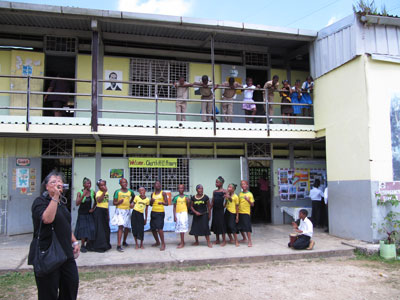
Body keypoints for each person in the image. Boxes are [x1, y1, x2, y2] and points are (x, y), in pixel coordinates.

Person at [28, 171, 79, 300]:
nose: (57, 184)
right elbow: (47, 219)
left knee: (71, 286)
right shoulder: (39, 202)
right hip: (48, 253)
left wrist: (74, 242)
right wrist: (55, 197)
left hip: (66, 254)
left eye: (60, 181)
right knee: (48, 293)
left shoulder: (61, 203)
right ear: (46, 186)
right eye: (53, 182)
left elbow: (64, 225)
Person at [86, 179, 111, 253]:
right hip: (99, 211)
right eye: (101, 185)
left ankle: (106, 244)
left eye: (104, 185)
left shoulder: (107, 193)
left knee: (106, 228)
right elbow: (99, 201)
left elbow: (106, 204)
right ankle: (99, 246)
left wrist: (108, 214)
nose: (103, 186)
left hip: (104, 211)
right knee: (100, 229)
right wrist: (103, 192)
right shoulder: (98, 193)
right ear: (99, 187)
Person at [111, 178, 135, 252]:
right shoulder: (117, 192)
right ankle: (119, 245)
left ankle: (124, 241)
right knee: (120, 227)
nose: (124, 183)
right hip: (120, 210)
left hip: (127, 210)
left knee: (127, 227)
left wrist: (131, 203)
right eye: (122, 182)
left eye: (125, 182)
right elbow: (114, 203)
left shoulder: (130, 191)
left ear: (127, 183)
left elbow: (133, 197)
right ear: (120, 184)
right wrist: (118, 202)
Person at [74, 177, 95, 253]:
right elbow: (77, 203)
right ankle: (82, 245)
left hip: (89, 213)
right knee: (83, 230)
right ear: (84, 184)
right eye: (87, 183)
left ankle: (88, 244)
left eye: (90, 183)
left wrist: (93, 208)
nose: (89, 185)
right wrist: (83, 195)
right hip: (82, 213)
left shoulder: (92, 192)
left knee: (91, 228)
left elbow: (96, 201)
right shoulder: (80, 192)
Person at [150, 181, 168, 251]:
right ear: (154, 186)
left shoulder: (163, 193)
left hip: (160, 212)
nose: (157, 185)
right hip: (153, 212)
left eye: (159, 184)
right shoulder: (152, 194)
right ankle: (157, 242)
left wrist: (162, 203)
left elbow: (167, 203)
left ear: (160, 186)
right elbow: (151, 204)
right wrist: (151, 201)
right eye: (156, 184)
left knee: (160, 229)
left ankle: (163, 243)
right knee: (153, 228)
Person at [172, 184, 190, 248]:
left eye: (182, 188)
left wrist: (188, 202)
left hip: (184, 213)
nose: (181, 189)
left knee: (182, 228)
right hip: (178, 213)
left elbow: (188, 207)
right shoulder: (176, 197)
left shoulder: (186, 197)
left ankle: (182, 243)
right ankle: (182, 241)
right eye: (179, 188)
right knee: (180, 228)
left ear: (184, 189)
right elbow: (174, 207)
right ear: (178, 189)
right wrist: (174, 216)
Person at [211, 176, 227, 246]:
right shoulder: (214, 191)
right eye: (216, 182)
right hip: (215, 210)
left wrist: (225, 205)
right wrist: (209, 208)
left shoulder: (224, 191)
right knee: (216, 224)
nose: (216, 183)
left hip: (220, 210)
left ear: (221, 183)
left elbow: (228, 199)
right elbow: (213, 201)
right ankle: (217, 239)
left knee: (221, 224)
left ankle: (224, 240)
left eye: (217, 182)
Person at [238, 180, 255, 247]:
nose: (243, 185)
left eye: (244, 184)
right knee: (240, 227)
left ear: (247, 185)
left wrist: (248, 200)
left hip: (246, 212)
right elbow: (238, 203)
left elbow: (252, 204)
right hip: (240, 212)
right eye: (242, 184)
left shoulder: (250, 194)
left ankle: (249, 241)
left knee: (247, 227)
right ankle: (244, 238)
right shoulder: (240, 194)